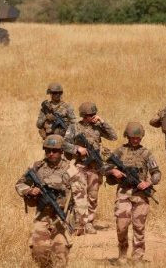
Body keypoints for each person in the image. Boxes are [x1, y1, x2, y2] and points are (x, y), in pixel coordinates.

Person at [15, 135, 84, 268]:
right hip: (42, 216)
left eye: (55, 151)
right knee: (38, 251)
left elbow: (80, 196)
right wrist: (30, 190)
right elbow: (20, 184)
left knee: (61, 253)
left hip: (62, 218)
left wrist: (80, 222)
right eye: (48, 150)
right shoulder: (37, 167)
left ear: (61, 151)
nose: (51, 153)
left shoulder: (70, 169)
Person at [107, 122, 161, 263]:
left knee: (139, 227)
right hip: (123, 193)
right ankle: (122, 254)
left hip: (140, 195)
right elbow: (104, 166)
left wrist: (148, 183)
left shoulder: (146, 153)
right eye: (133, 137)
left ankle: (137, 257)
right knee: (121, 225)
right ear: (127, 136)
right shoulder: (120, 151)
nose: (135, 140)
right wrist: (113, 171)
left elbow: (156, 173)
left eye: (138, 138)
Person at [66, 101, 117, 235]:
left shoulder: (98, 127)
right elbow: (64, 144)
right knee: (79, 195)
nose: (93, 116)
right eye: (90, 115)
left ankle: (89, 223)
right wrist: (77, 148)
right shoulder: (74, 127)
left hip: (95, 167)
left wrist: (102, 122)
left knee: (93, 197)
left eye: (94, 114)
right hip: (80, 166)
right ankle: (79, 224)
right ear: (83, 115)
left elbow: (113, 136)